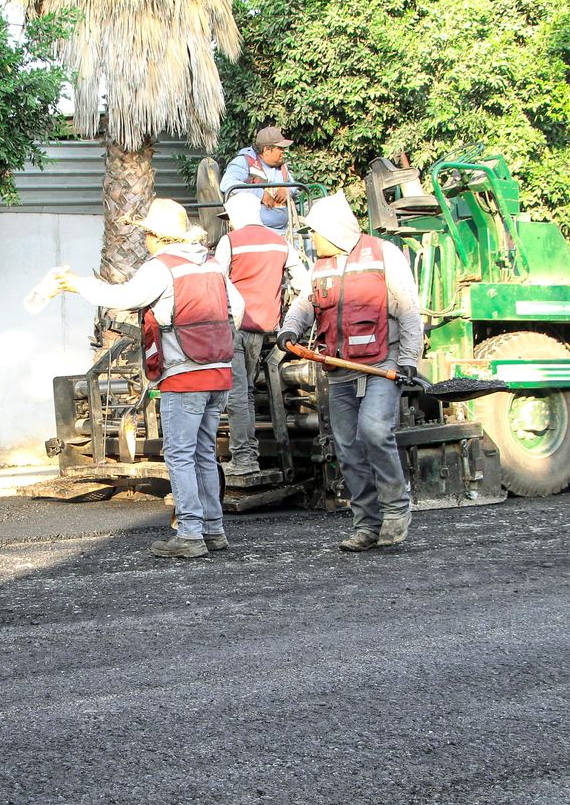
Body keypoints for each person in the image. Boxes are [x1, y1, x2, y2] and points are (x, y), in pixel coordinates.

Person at [56, 199, 245, 558]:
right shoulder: (212, 264)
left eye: (146, 234)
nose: (144, 240)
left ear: (158, 236)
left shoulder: (162, 267)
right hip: (219, 372)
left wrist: (79, 284)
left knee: (180, 455)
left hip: (184, 375)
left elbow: (124, 297)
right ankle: (213, 530)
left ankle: (190, 535)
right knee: (204, 453)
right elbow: (239, 309)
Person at [276, 192, 422, 552]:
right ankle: (367, 524)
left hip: (382, 363)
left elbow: (408, 307)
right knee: (347, 447)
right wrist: (289, 329)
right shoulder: (320, 267)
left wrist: (409, 359)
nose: (312, 238)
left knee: (374, 430)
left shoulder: (384, 255)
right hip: (340, 369)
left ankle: (396, 509)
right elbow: (305, 303)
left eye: (315, 232)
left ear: (334, 231)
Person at [212, 189, 309, 476]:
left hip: (233, 326)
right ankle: (248, 454)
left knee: (237, 394)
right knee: (248, 392)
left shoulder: (230, 242)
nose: (229, 223)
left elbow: (214, 283)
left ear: (235, 216)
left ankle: (244, 459)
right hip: (265, 328)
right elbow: (304, 283)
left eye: (229, 218)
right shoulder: (280, 243)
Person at [219, 125, 295, 232]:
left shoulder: (281, 166)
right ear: (267, 150)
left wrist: (288, 191)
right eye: (280, 148)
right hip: (254, 232)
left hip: (286, 230)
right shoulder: (244, 162)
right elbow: (227, 183)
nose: (284, 151)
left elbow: (294, 185)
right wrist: (260, 194)